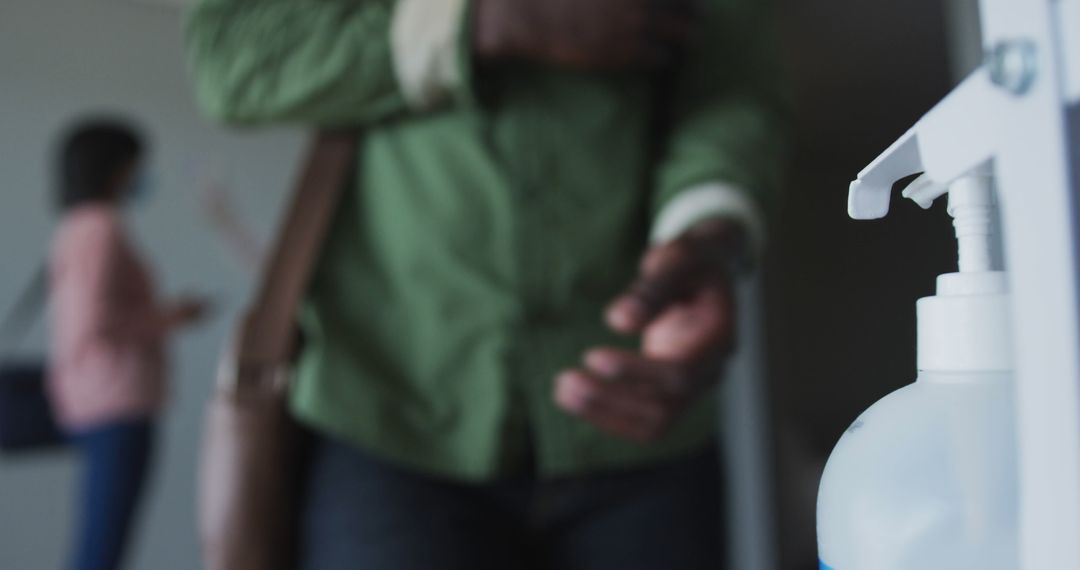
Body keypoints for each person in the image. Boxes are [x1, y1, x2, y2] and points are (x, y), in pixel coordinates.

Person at [186, 0, 787, 567]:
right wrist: (485, 22)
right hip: (390, 408)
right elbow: (235, 55)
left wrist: (707, 234)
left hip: (642, 425)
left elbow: (731, 87)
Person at [47, 119, 209, 570]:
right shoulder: (100, 228)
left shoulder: (77, 226)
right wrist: (170, 317)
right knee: (100, 553)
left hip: (93, 396)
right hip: (115, 400)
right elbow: (92, 323)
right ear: (116, 168)